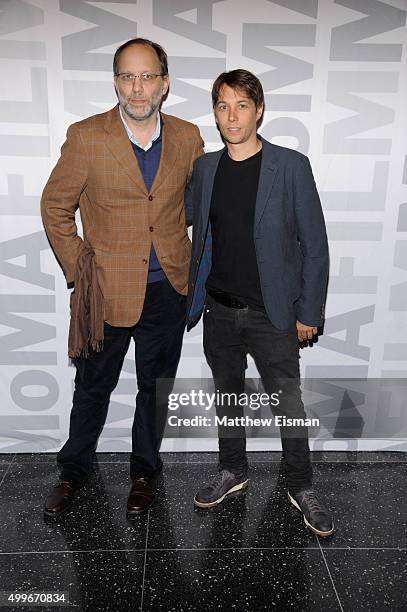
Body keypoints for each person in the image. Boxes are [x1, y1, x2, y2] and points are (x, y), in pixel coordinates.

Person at [41, 37, 204, 517]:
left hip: (168, 289)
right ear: (116, 81)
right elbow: (55, 207)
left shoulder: (188, 136)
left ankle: (143, 473)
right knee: (92, 387)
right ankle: (73, 471)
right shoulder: (87, 136)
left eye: (147, 76)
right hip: (105, 292)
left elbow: (190, 208)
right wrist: (80, 270)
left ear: (165, 83)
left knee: (155, 389)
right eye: (128, 76)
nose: (138, 87)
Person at [185, 69, 334, 537]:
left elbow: (315, 245)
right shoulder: (205, 168)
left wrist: (308, 312)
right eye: (223, 105)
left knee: (287, 400)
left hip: (274, 314)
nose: (232, 115)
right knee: (228, 397)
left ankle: (301, 484)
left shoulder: (290, 166)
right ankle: (234, 469)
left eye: (242, 105)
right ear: (214, 113)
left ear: (259, 111)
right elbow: (189, 226)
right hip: (219, 310)